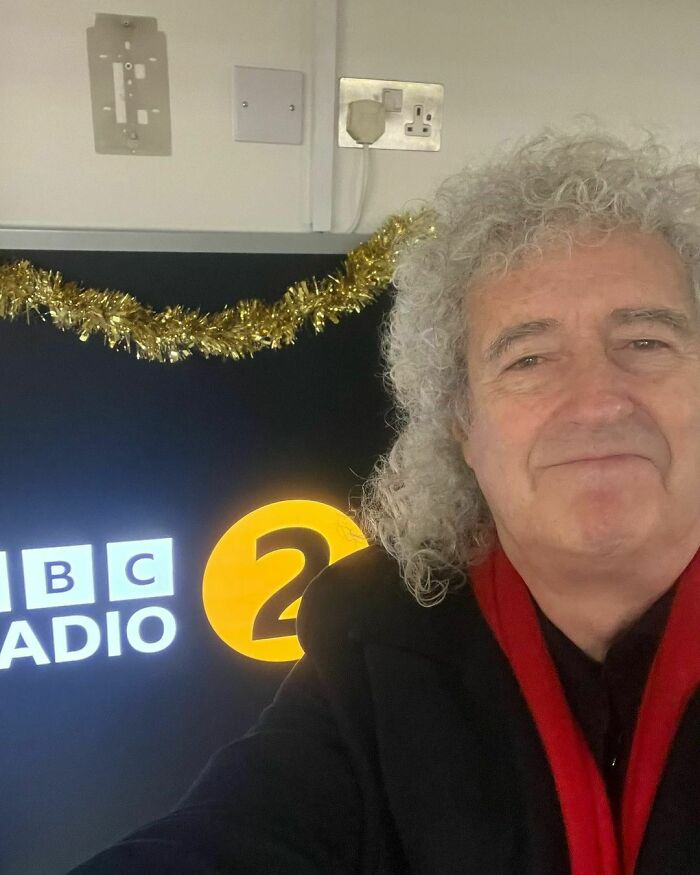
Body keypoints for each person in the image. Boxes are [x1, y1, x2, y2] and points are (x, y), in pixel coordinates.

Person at [71, 128, 700, 874]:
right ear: (462, 425)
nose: (596, 400)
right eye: (528, 358)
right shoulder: (372, 641)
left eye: (646, 341)